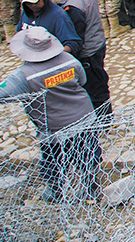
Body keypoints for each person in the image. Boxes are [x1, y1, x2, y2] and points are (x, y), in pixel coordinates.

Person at [0, 25, 99, 203]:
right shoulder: (69, 60)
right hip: (84, 118)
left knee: (53, 162)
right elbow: (82, 80)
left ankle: (55, 192)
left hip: (54, 129)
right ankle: (89, 188)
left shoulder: (23, 76)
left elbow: (3, 94)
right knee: (88, 155)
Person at [42, 0, 110, 120]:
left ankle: (104, 120)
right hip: (97, 43)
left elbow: (76, 35)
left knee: (95, 86)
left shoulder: (74, 6)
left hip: (87, 52)